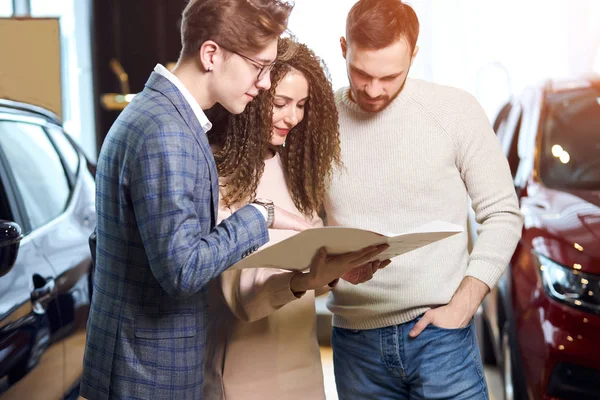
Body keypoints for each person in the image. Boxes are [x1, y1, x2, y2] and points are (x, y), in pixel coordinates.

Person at [78, 1, 317, 399]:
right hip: (147, 376)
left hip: (137, 363)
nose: (263, 83)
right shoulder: (167, 132)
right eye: (259, 66)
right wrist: (259, 215)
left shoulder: (156, 113)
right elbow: (182, 271)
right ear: (211, 54)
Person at [324, 0, 525, 399]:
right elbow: (306, 226)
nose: (373, 89)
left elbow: (503, 213)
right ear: (344, 47)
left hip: (441, 338)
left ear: (414, 55)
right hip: (355, 343)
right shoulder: (316, 120)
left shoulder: (455, 111)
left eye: (390, 76)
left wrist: (464, 305)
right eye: (361, 72)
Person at [203, 38, 390, 400]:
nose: (293, 117)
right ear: (253, 95)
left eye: (302, 105)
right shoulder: (217, 169)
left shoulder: (294, 166)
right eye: (281, 103)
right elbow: (240, 295)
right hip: (242, 368)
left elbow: (309, 259)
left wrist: (336, 270)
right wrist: (304, 280)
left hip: (301, 363)